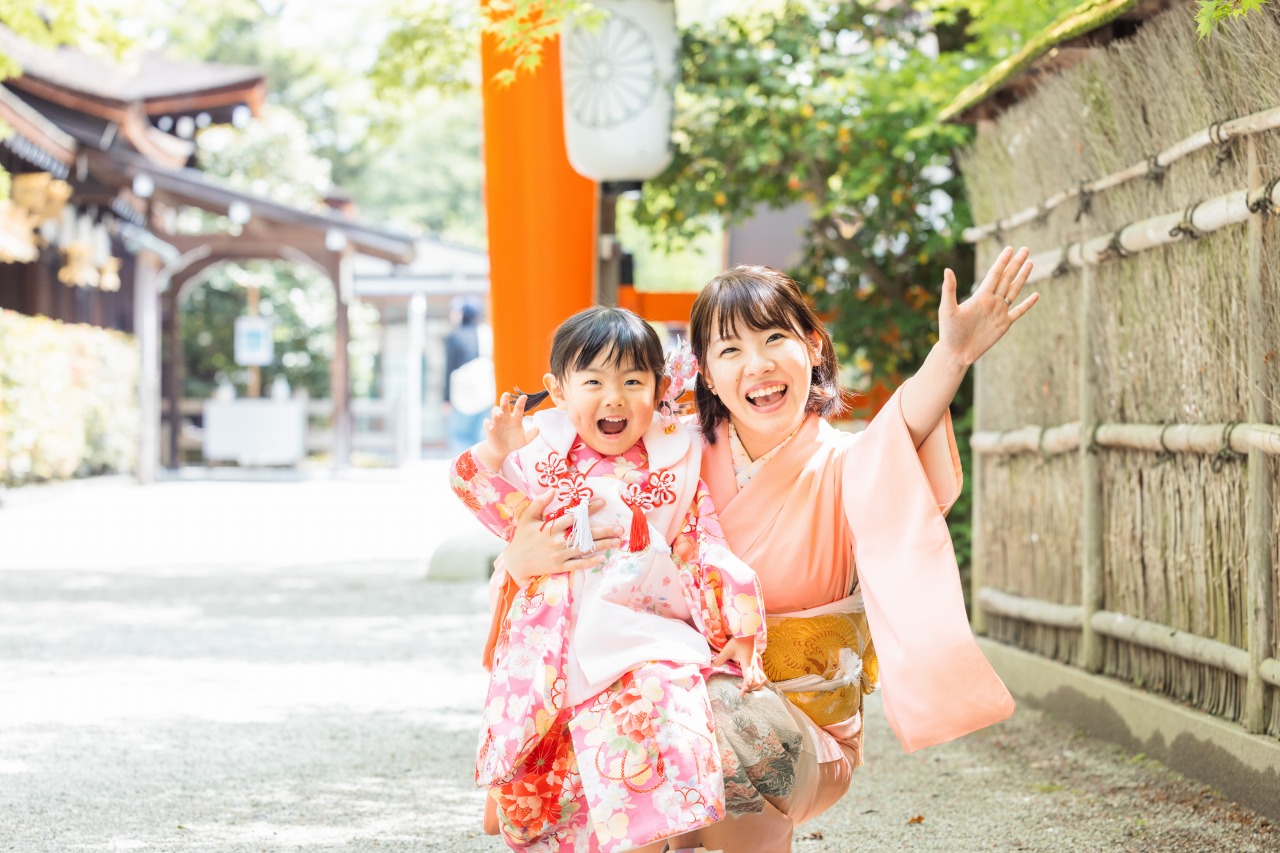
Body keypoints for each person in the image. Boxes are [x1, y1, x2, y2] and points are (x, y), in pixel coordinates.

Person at [493, 247, 1039, 851]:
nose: (756, 364)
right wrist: (518, 562)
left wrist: (952, 354)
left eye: (775, 338)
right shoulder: (671, 453)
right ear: (704, 371)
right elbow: (561, 508)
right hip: (663, 706)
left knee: (701, 702)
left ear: (813, 347)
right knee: (623, 696)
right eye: (730, 350)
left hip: (792, 727)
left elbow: (902, 426)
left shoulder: (845, 463)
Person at [449, 306, 770, 853]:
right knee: (567, 776)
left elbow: (702, 541)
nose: (614, 397)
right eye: (593, 381)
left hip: (644, 628)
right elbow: (492, 508)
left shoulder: (678, 454)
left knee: (661, 720)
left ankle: (670, 840)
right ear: (558, 389)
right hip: (554, 638)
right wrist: (497, 451)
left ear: (660, 386)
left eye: (633, 380)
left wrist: (739, 623)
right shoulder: (537, 451)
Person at [443, 297, 494, 452]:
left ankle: (463, 473)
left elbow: (449, 367)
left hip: (462, 394)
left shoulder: (455, 336)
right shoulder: (487, 333)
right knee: (482, 435)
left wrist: (445, 398)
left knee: (461, 437)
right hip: (486, 391)